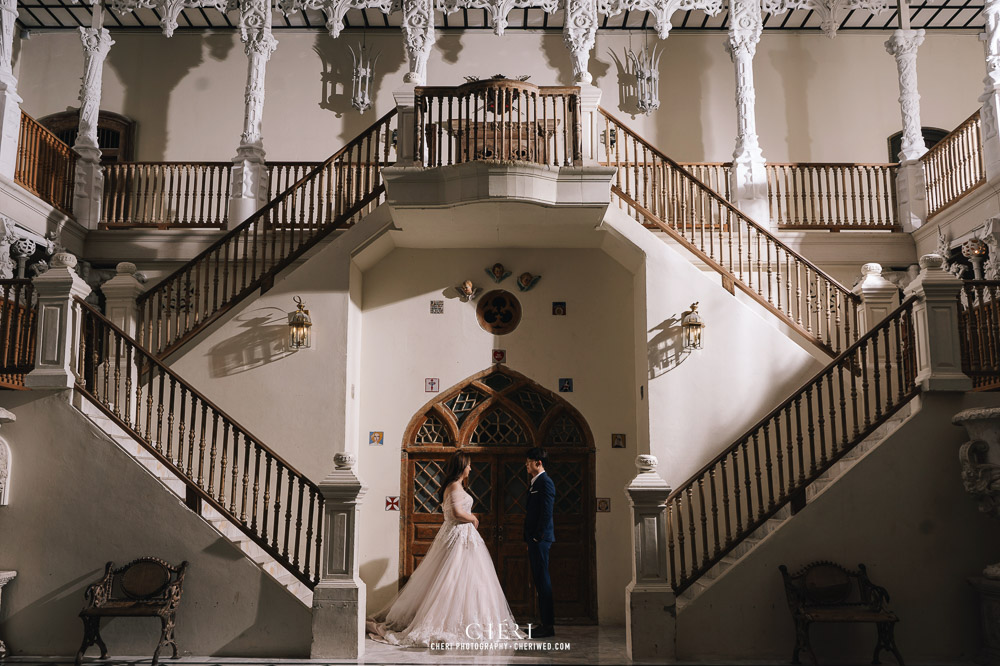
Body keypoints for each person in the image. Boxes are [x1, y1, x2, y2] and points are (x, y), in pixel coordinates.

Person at [367, 452, 522, 646]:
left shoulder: (453, 486)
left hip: (459, 536)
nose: (471, 469)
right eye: (469, 466)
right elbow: (456, 513)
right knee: (454, 577)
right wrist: (473, 518)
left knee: (463, 578)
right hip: (458, 536)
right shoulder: (455, 486)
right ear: (462, 467)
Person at [524, 446, 555, 638]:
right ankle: (543, 622)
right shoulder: (534, 483)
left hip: (541, 540)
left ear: (538, 462)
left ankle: (548, 625)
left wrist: (538, 536)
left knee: (543, 581)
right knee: (539, 580)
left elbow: (546, 512)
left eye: (528, 462)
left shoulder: (546, 482)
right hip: (534, 539)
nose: (526, 465)